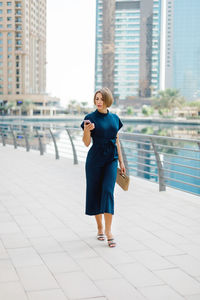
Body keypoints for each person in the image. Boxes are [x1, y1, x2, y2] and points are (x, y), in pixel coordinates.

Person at [81, 87, 125, 248]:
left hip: (111, 160)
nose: (98, 102)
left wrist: (121, 162)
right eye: (96, 99)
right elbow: (86, 143)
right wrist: (87, 131)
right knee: (95, 193)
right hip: (94, 161)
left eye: (101, 99)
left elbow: (117, 140)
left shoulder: (115, 118)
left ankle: (109, 231)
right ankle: (99, 227)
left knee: (108, 192)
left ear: (107, 100)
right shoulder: (90, 118)